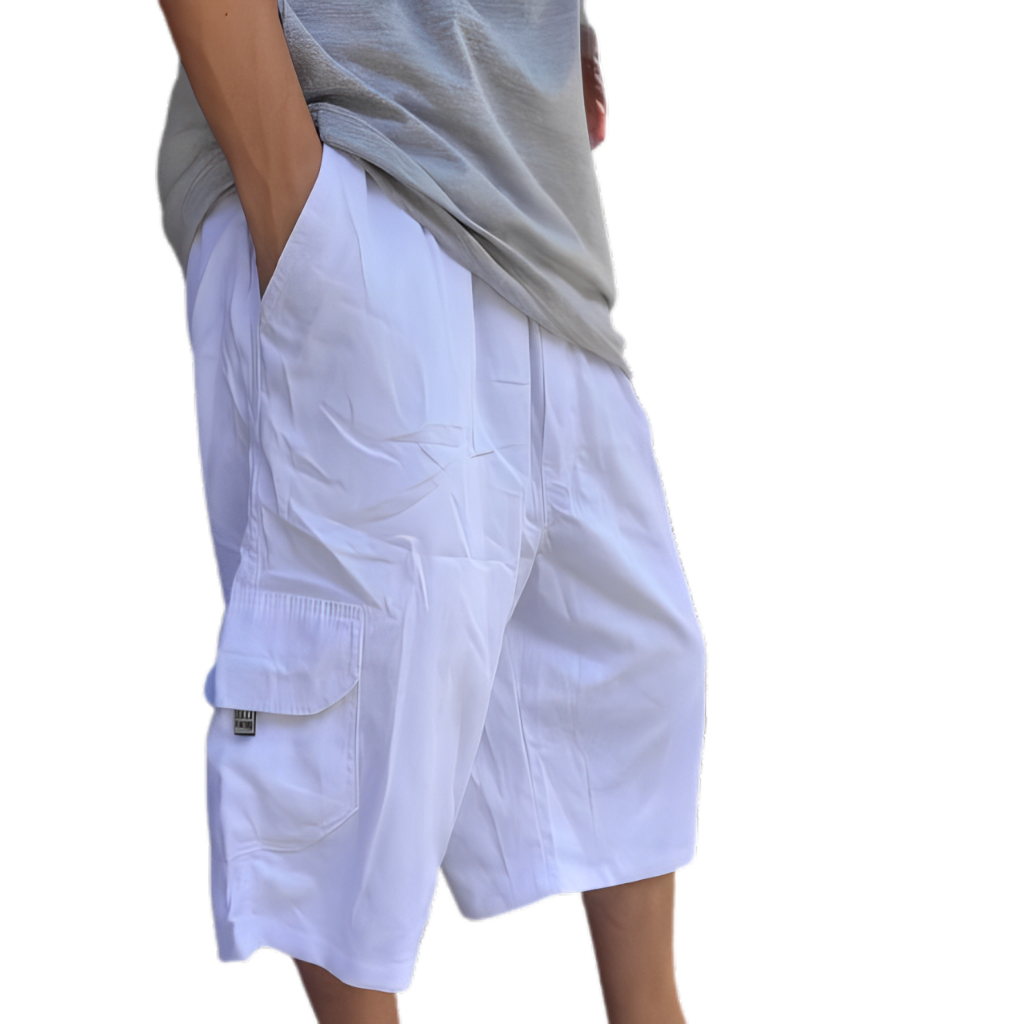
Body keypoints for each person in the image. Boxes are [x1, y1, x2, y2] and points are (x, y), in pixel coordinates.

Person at [156, 2, 706, 1021]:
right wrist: (290, 199)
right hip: (357, 156)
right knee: (360, 718)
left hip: (533, 208)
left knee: (635, 684)